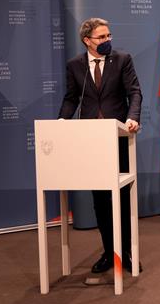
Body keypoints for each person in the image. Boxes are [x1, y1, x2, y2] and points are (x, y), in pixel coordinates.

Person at [58, 17, 143, 275]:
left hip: (118, 136)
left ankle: (126, 252)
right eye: (101, 37)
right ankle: (109, 252)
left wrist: (133, 118)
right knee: (101, 199)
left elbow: (135, 92)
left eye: (109, 36)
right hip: (91, 141)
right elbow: (72, 98)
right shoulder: (75, 65)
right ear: (87, 40)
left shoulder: (122, 59)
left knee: (122, 198)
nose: (107, 41)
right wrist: (62, 120)